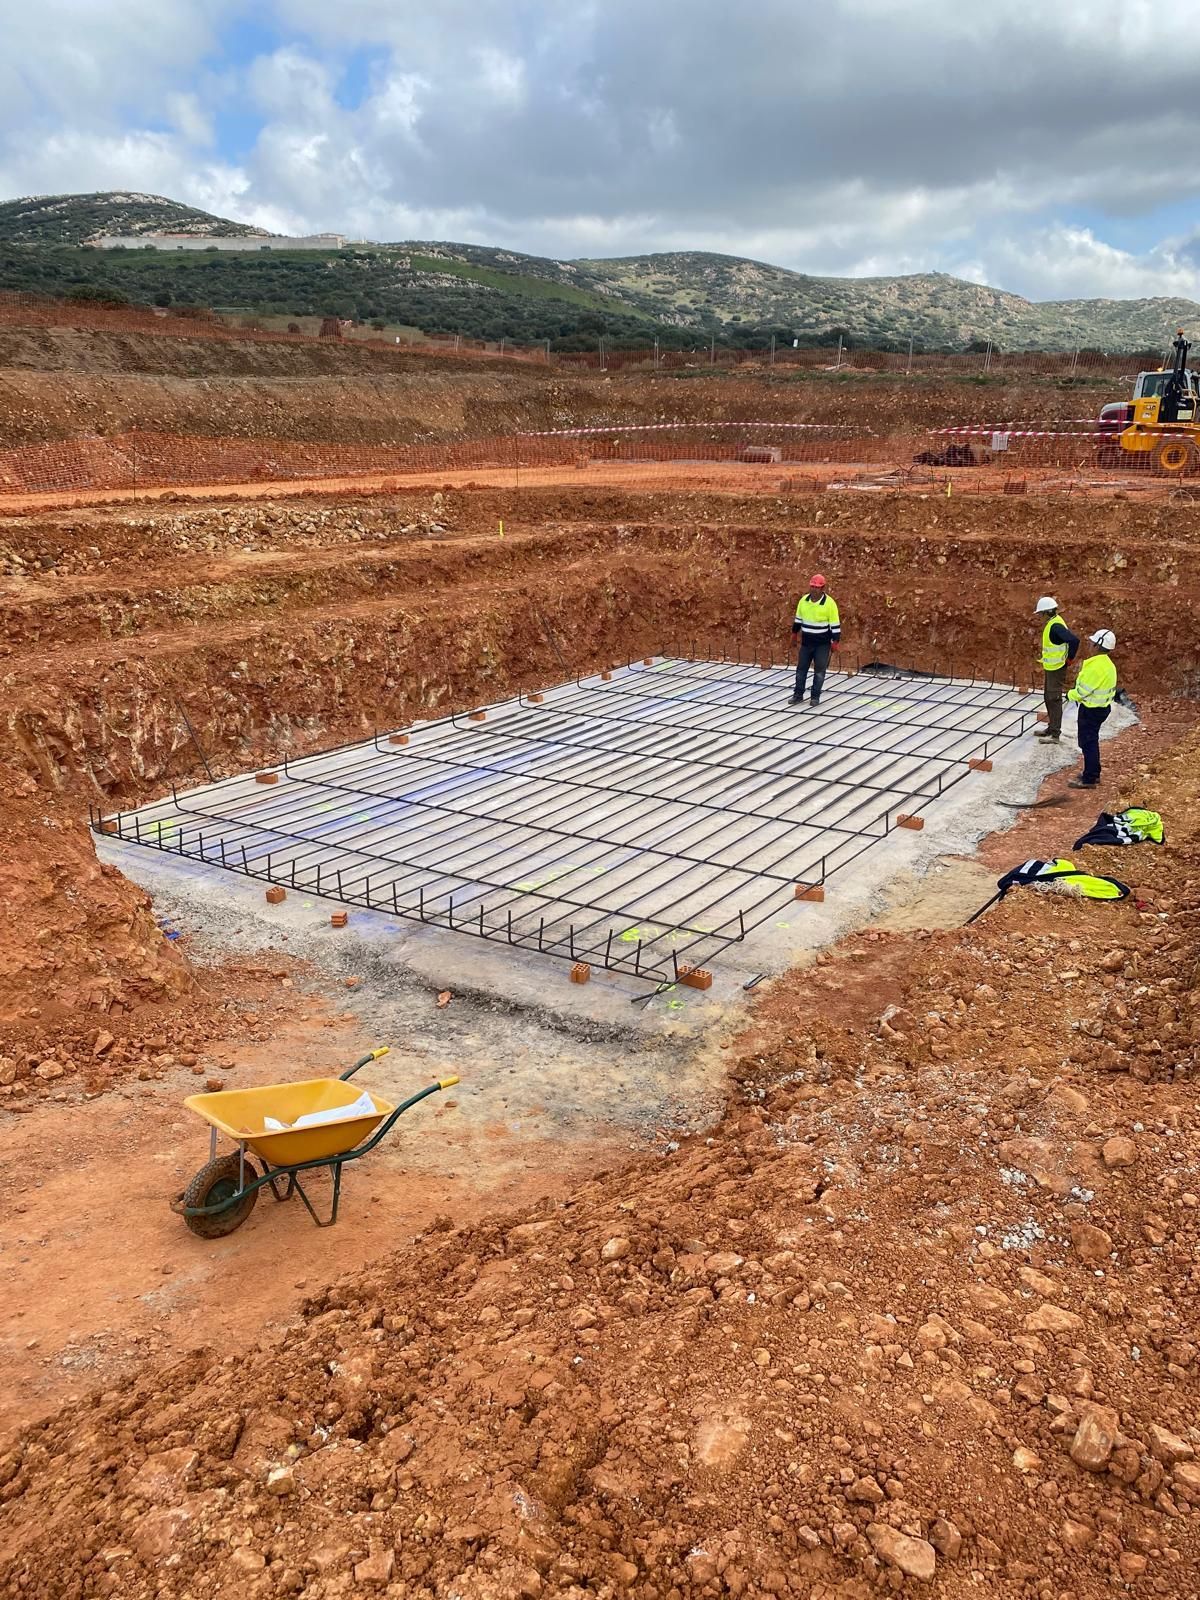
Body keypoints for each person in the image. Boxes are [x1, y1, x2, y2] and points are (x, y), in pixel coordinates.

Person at [1067, 630, 1117, 789]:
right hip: (1102, 708)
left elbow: (1082, 691)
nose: (1090, 644)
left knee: (1088, 743)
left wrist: (1070, 695)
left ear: (1098, 645)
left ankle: (1089, 778)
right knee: (1091, 740)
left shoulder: (1095, 666)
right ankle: (1093, 772)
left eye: (1092, 642)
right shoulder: (1108, 665)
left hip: (1091, 710)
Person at [1033, 595, 1079, 742]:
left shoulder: (1056, 626)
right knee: (1048, 697)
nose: (1040, 617)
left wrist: (1069, 659)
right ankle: (1051, 728)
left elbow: (1074, 640)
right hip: (1051, 667)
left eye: (1041, 614)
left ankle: (1055, 734)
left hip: (1057, 668)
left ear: (1047, 612)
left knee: (1054, 699)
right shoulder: (1053, 623)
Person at [789, 574, 841, 706]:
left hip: (822, 645)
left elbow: (835, 625)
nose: (814, 589)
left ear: (822, 588)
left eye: (817, 587)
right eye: (812, 586)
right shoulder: (803, 601)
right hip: (806, 643)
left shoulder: (829, 604)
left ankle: (815, 697)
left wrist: (835, 642)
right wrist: (794, 634)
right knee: (801, 670)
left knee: (819, 672)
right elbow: (798, 621)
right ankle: (798, 695)